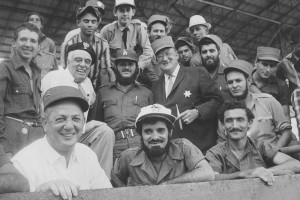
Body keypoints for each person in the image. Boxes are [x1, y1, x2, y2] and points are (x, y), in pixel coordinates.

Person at [12, 86, 112, 200]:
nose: (69, 126)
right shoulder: (23, 163)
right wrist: (38, 194)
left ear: (84, 122)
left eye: (76, 119)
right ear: (45, 124)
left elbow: (107, 195)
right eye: (60, 119)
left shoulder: (87, 155)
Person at [42, 42, 115, 179]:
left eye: (87, 62)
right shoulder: (54, 77)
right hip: (56, 133)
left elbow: (89, 106)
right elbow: (45, 112)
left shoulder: (87, 84)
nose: (83, 65)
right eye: (78, 60)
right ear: (68, 61)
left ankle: (102, 182)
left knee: (105, 132)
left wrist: (86, 126)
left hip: (77, 133)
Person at [151, 36, 223, 153]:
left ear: (176, 54)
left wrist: (198, 112)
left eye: (168, 53)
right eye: (160, 56)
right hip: (171, 150)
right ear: (156, 61)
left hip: (200, 146)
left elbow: (218, 101)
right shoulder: (155, 87)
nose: (164, 58)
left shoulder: (197, 73)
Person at [114, 104, 215, 186]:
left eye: (160, 130)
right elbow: (114, 181)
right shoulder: (128, 157)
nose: (155, 137)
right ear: (141, 134)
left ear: (170, 132)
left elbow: (208, 173)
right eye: (148, 131)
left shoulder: (184, 147)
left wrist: (168, 184)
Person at [218, 59, 300, 159]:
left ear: (248, 81)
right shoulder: (225, 112)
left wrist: (275, 150)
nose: (234, 86)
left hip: (272, 157)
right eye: (230, 82)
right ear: (227, 85)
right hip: (244, 162)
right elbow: (222, 142)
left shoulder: (268, 101)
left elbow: (286, 132)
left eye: (238, 81)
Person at [206, 101, 300, 186]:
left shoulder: (261, 146)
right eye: (229, 120)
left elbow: (295, 164)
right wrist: (246, 174)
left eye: (240, 120)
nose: (235, 126)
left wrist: (264, 172)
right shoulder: (215, 153)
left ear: (249, 123)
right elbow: (211, 177)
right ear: (223, 125)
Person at [89, 49, 153, 161]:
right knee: (112, 177)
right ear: (115, 68)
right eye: (122, 64)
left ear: (136, 68)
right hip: (112, 145)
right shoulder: (103, 92)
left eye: (130, 64)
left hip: (140, 144)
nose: (126, 67)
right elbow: (96, 124)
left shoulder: (146, 93)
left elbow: (153, 124)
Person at [0, 23, 44, 155]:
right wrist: (1, 141)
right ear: (14, 43)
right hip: (13, 136)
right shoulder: (5, 69)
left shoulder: (37, 73)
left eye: (33, 41)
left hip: (36, 136)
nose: (28, 44)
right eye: (23, 39)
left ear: (38, 46)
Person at [61, 3, 114, 90]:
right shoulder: (69, 43)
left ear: (97, 24)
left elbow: (103, 72)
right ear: (78, 23)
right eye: (86, 21)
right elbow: (63, 69)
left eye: (93, 22)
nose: (90, 25)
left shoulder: (103, 45)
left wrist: (103, 93)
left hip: (92, 87)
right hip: (71, 85)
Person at [99, 0, 153, 71]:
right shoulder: (107, 31)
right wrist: (108, 70)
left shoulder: (138, 28)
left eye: (128, 10)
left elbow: (148, 51)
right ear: (115, 12)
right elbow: (100, 54)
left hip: (130, 69)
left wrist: (138, 67)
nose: (125, 14)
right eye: (121, 10)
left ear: (133, 12)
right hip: (112, 68)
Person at [11, 12, 58, 78]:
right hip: (23, 76)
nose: (34, 22)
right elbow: (13, 60)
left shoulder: (50, 43)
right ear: (27, 23)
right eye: (31, 19)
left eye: (37, 20)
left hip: (43, 78)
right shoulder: (18, 42)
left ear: (41, 25)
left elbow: (52, 63)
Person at [252, 46, 290, 120]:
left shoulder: (281, 85)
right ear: (256, 62)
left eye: (272, 66)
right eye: (265, 64)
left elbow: (285, 115)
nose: (268, 70)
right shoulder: (244, 80)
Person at [137, 14, 170, 88]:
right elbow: (151, 73)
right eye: (155, 31)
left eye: (161, 31)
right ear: (149, 33)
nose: (159, 34)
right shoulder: (144, 49)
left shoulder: (169, 49)